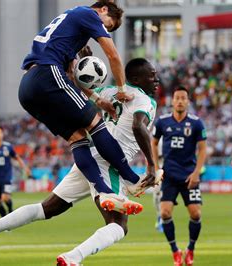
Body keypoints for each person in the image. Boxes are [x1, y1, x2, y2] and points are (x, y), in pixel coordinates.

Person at [0, 58, 162, 265]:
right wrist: (151, 163)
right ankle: (73, 257)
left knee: (46, 208)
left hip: (88, 156)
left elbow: (86, 87)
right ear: (135, 78)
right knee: (119, 225)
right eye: (151, 75)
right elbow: (138, 126)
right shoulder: (146, 101)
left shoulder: (109, 92)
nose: (156, 79)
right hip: (110, 162)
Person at [18, 1, 157, 207]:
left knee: (78, 137)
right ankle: (132, 180)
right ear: (103, 10)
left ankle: (104, 191)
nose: (104, 30)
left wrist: (98, 99)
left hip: (28, 88)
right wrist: (121, 89)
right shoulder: (87, 14)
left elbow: (72, 79)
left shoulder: (68, 31)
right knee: (96, 123)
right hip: (47, 73)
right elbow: (113, 55)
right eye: (108, 26)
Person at [151, 86, 207, 266]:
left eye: (184, 98)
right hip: (169, 176)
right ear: (172, 101)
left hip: (189, 176)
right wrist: (156, 168)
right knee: (165, 213)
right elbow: (153, 143)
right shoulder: (162, 122)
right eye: (177, 98)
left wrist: (197, 172)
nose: (180, 101)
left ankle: (190, 249)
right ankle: (175, 251)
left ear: (188, 101)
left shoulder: (197, 123)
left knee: (196, 213)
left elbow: (203, 148)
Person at [0, 127, 31, 217]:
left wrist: (25, 168)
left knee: (5, 197)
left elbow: (17, 157)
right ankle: (4, 220)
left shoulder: (8, 146)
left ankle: (11, 210)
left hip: (6, 176)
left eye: (0, 132)